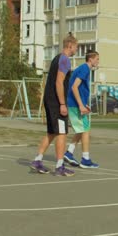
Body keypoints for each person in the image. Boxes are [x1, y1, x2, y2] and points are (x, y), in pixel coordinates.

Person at [30, 33, 77, 176]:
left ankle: (37, 160)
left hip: (50, 99)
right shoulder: (65, 60)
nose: (76, 50)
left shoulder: (57, 59)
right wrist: (62, 103)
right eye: (76, 47)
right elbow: (59, 82)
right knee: (62, 133)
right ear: (70, 46)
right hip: (56, 102)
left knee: (52, 132)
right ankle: (59, 166)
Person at [63, 50, 100, 168]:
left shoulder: (84, 69)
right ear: (91, 59)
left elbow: (78, 88)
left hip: (76, 103)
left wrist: (84, 104)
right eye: (97, 59)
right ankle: (85, 159)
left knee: (81, 129)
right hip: (74, 104)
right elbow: (74, 87)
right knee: (85, 130)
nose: (98, 61)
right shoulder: (85, 69)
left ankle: (69, 152)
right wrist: (80, 105)